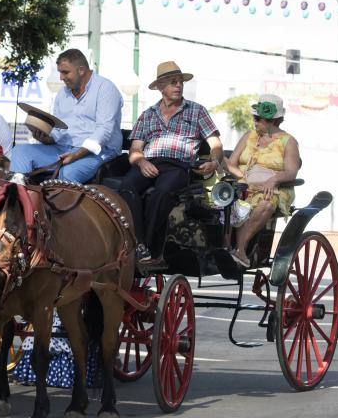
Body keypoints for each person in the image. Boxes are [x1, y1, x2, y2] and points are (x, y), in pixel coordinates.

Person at [119, 61, 223, 265]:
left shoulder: (196, 111)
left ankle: (147, 247)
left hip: (179, 165)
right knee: (126, 187)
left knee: (162, 192)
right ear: (160, 87)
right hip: (149, 162)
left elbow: (216, 144)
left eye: (180, 82)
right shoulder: (148, 115)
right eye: (173, 82)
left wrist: (214, 161)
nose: (179, 86)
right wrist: (141, 162)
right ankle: (137, 243)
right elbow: (134, 150)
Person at [9, 49, 123, 183]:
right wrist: (47, 138)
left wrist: (76, 155)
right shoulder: (62, 94)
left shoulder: (106, 88)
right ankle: (20, 196)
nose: (61, 77)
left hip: (99, 152)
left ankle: (55, 204)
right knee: (20, 151)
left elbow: (104, 131)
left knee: (68, 172)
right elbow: (59, 130)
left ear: (81, 70)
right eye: (60, 72)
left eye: (65, 72)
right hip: (63, 148)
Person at [225, 94, 301, 267]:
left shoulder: (288, 142)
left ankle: (240, 248)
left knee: (265, 203)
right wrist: (221, 161)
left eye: (258, 119)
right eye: (255, 117)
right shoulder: (249, 136)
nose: (255, 122)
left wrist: (274, 179)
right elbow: (232, 163)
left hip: (274, 189)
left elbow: (291, 172)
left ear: (272, 121)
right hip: (243, 184)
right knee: (222, 200)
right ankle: (224, 246)